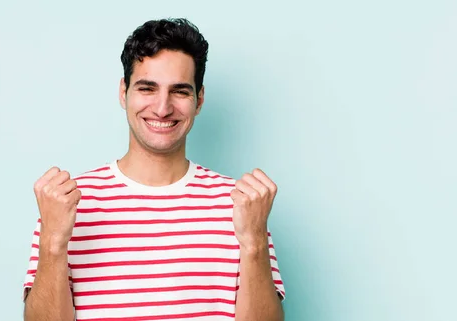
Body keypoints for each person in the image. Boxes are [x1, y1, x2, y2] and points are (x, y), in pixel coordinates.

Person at [22, 18, 286, 321]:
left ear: (199, 100)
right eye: (147, 88)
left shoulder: (240, 203)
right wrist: (53, 243)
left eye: (180, 91)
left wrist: (253, 243)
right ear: (124, 92)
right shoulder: (67, 203)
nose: (162, 108)